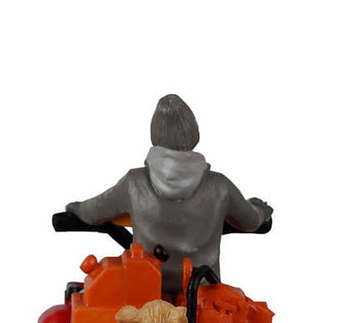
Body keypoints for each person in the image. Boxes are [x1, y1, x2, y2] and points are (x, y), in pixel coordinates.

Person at [66, 95, 272, 297]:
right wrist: (261, 209)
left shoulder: (134, 184)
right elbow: (252, 221)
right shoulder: (220, 187)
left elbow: (93, 212)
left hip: (148, 292)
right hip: (202, 292)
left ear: (154, 134)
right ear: (194, 133)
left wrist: (76, 209)